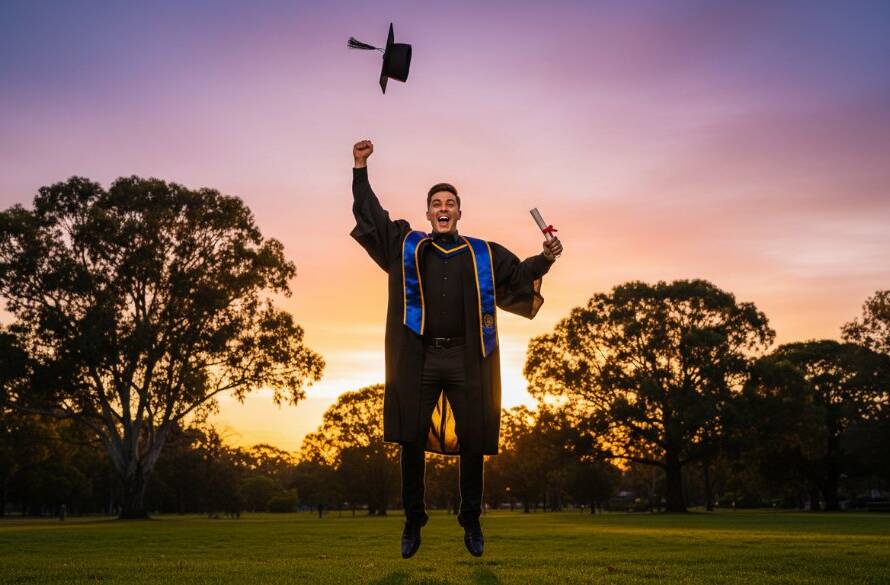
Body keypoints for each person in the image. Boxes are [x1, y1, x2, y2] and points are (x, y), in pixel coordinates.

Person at [350, 139, 562, 558]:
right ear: (428, 212)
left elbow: (518, 276)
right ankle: (414, 519)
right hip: (419, 358)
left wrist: (546, 258)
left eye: (450, 203)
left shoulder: (482, 253)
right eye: (436, 203)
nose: (443, 209)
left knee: (473, 439)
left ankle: (471, 519)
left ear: (459, 212)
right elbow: (373, 217)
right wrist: (360, 168)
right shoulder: (407, 246)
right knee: (410, 435)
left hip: (468, 358)